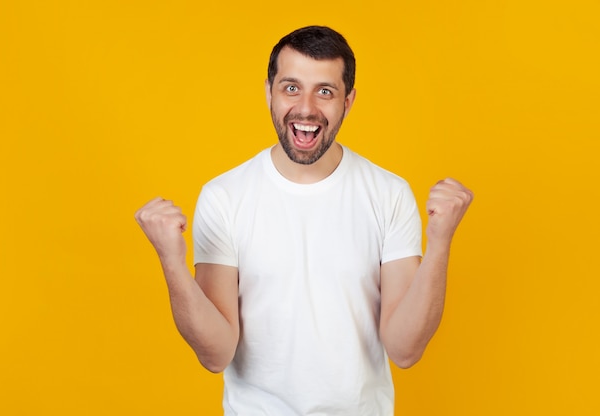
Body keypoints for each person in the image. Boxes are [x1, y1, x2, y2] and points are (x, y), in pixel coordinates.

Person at [135, 25, 473, 415]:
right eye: (291, 87)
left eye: (325, 91)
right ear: (269, 93)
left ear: (348, 101)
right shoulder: (224, 197)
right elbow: (215, 354)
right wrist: (171, 262)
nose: (307, 108)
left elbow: (405, 349)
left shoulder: (389, 194)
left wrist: (441, 243)